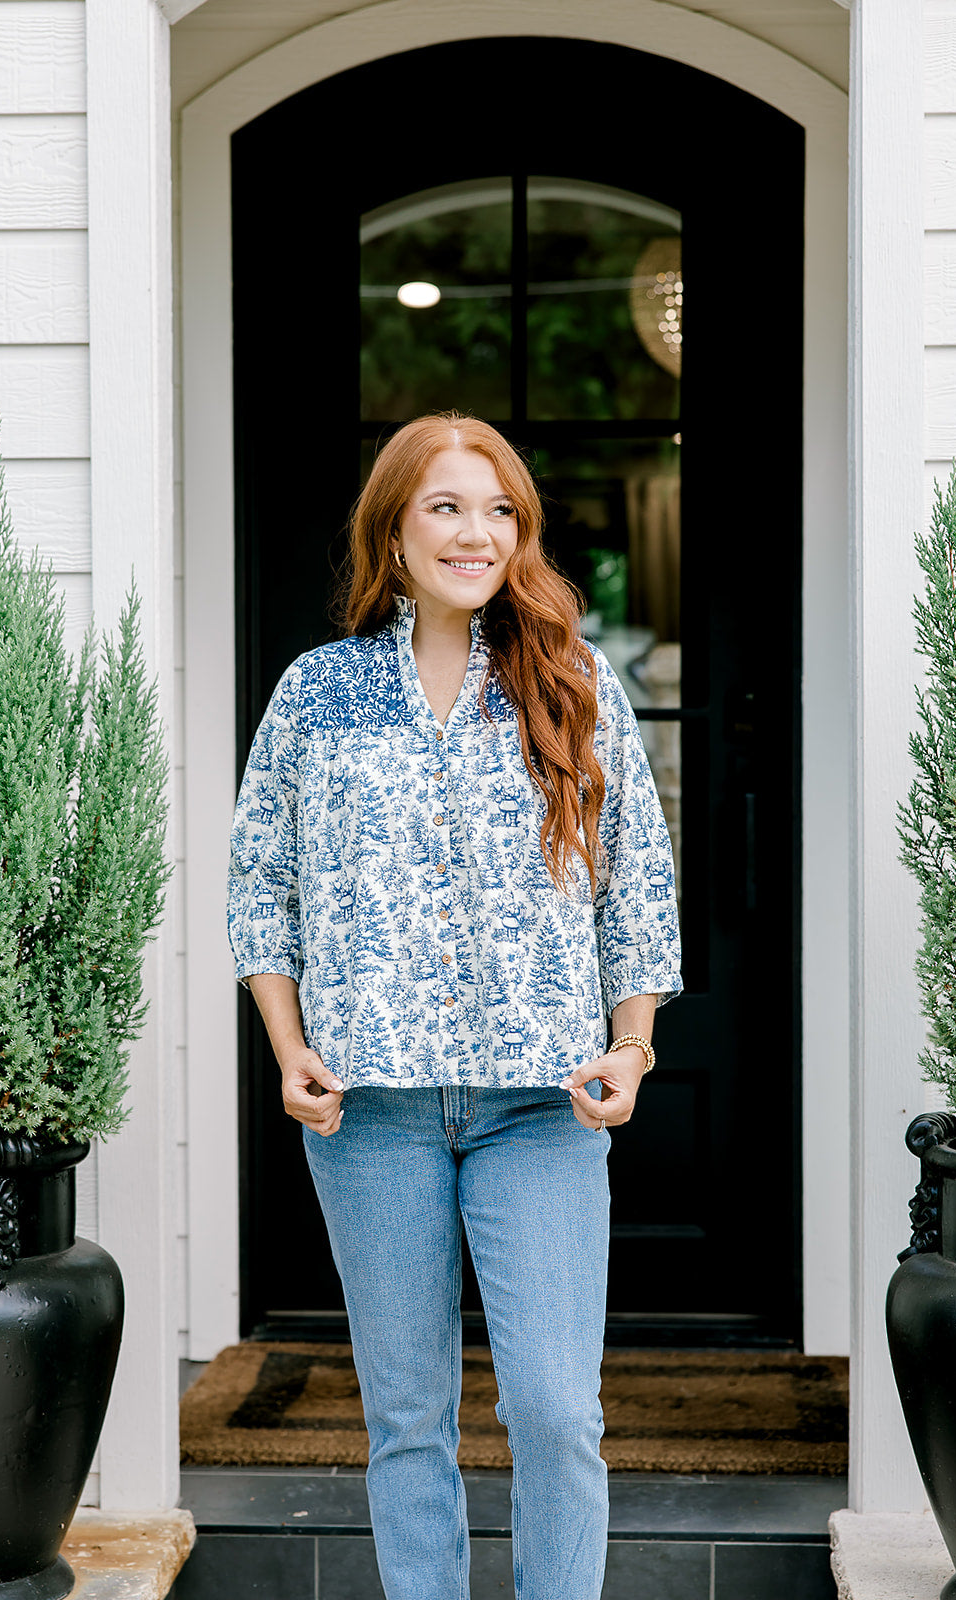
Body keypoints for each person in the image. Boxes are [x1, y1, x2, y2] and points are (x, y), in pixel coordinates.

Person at [228, 413, 682, 1600]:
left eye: (498, 510)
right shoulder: (318, 693)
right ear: (394, 528)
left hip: (539, 1104)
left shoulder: (574, 682)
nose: (474, 532)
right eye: (445, 505)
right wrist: (288, 1044)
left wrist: (632, 1044)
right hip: (369, 1110)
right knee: (407, 1418)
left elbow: (636, 879)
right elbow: (260, 880)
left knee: (554, 1408)